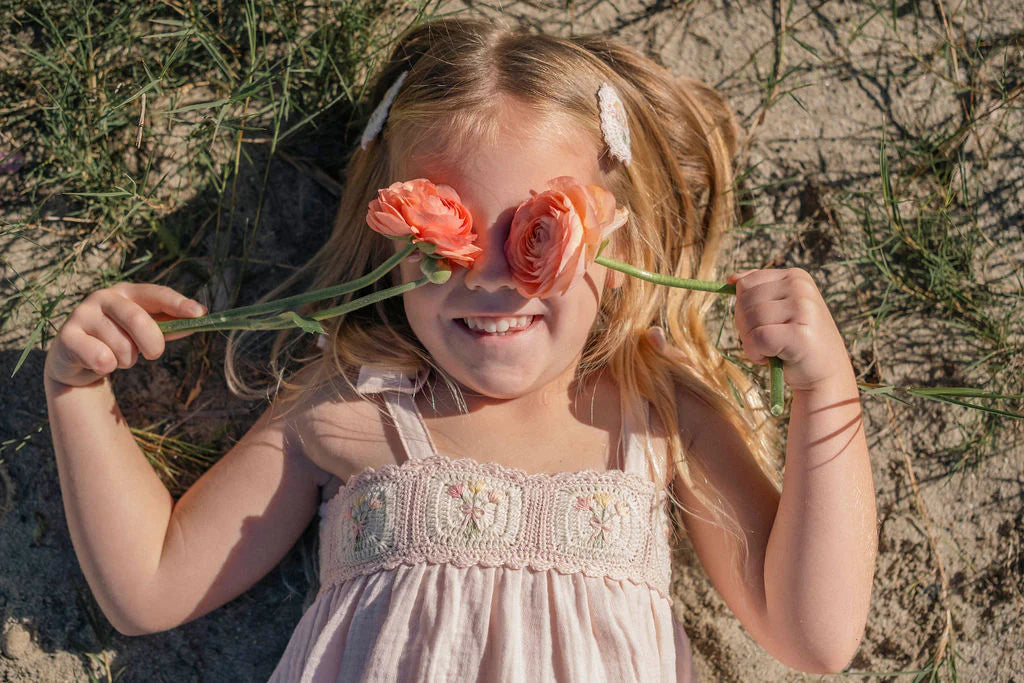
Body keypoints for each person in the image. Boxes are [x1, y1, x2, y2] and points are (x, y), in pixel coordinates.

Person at [43, 17, 877, 681]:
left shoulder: (656, 409)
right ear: (389, 241)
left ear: (615, 246)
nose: (489, 279)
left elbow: (813, 632)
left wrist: (824, 388)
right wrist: (76, 392)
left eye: (534, 233)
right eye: (446, 239)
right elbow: (150, 585)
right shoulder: (350, 402)